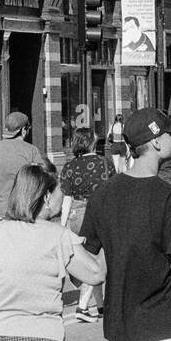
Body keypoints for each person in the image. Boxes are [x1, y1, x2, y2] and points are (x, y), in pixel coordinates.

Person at [80, 109, 171, 341]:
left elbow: (84, 260)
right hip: (161, 324)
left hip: (119, 325)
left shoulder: (102, 194)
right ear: (157, 142)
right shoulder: (169, 198)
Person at [0, 163, 103, 341]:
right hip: (38, 340)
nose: (63, 196)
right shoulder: (58, 235)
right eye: (60, 191)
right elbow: (95, 274)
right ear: (46, 197)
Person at [60, 128, 107, 321]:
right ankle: (82, 307)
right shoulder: (104, 163)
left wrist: (62, 227)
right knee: (96, 263)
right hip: (99, 212)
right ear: (90, 142)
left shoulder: (69, 166)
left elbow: (66, 199)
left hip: (76, 214)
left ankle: (102, 305)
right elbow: (112, 191)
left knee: (88, 259)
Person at [0, 111, 44, 219]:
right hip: (23, 213)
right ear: (23, 130)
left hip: (0, 213)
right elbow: (42, 181)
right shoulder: (31, 151)